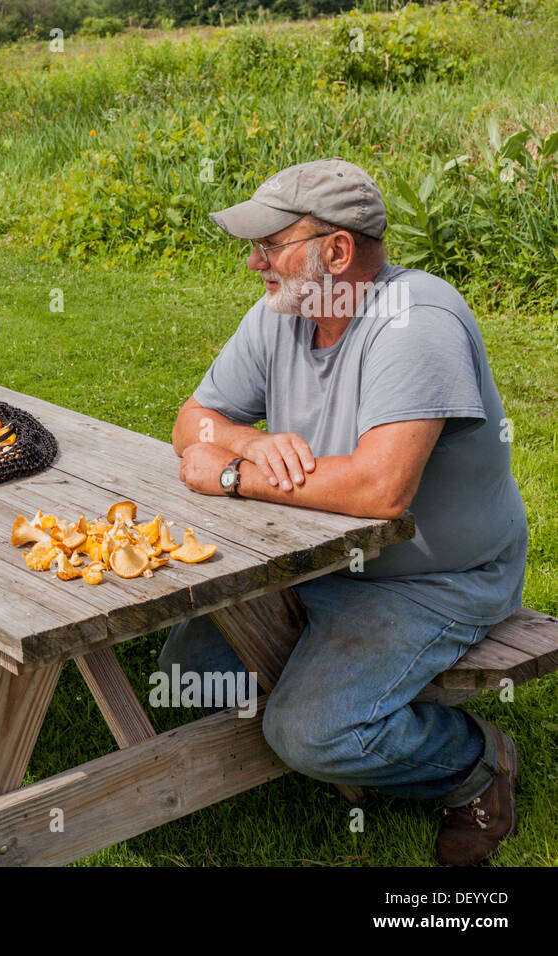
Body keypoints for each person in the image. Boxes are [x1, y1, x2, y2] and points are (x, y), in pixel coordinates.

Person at [167, 158, 528, 866]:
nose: (253, 262)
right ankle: (347, 691)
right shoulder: (282, 313)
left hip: (431, 580)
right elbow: (192, 421)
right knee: (189, 670)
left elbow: (378, 492)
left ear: (335, 251)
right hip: (317, 560)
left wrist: (236, 473)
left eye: (270, 246)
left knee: (310, 736)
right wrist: (256, 441)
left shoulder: (416, 322)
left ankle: (475, 763)